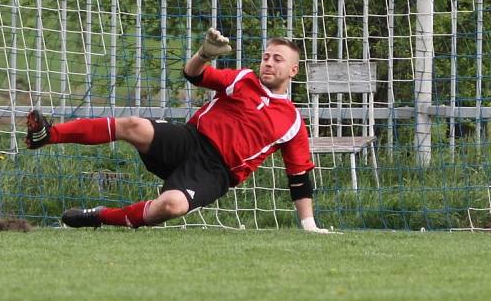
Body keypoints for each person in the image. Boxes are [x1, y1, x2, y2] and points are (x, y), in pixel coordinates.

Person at [25, 28, 332, 233]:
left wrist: (309, 224)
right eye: (266, 56)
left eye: (277, 59)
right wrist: (205, 54)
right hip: (190, 139)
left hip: (215, 172)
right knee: (134, 125)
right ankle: (48, 135)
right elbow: (193, 75)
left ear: (292, 70)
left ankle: (100, 216)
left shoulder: (292, 122)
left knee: (171, 206)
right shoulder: (243, 79)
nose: (268, 63)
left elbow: (299, 176)